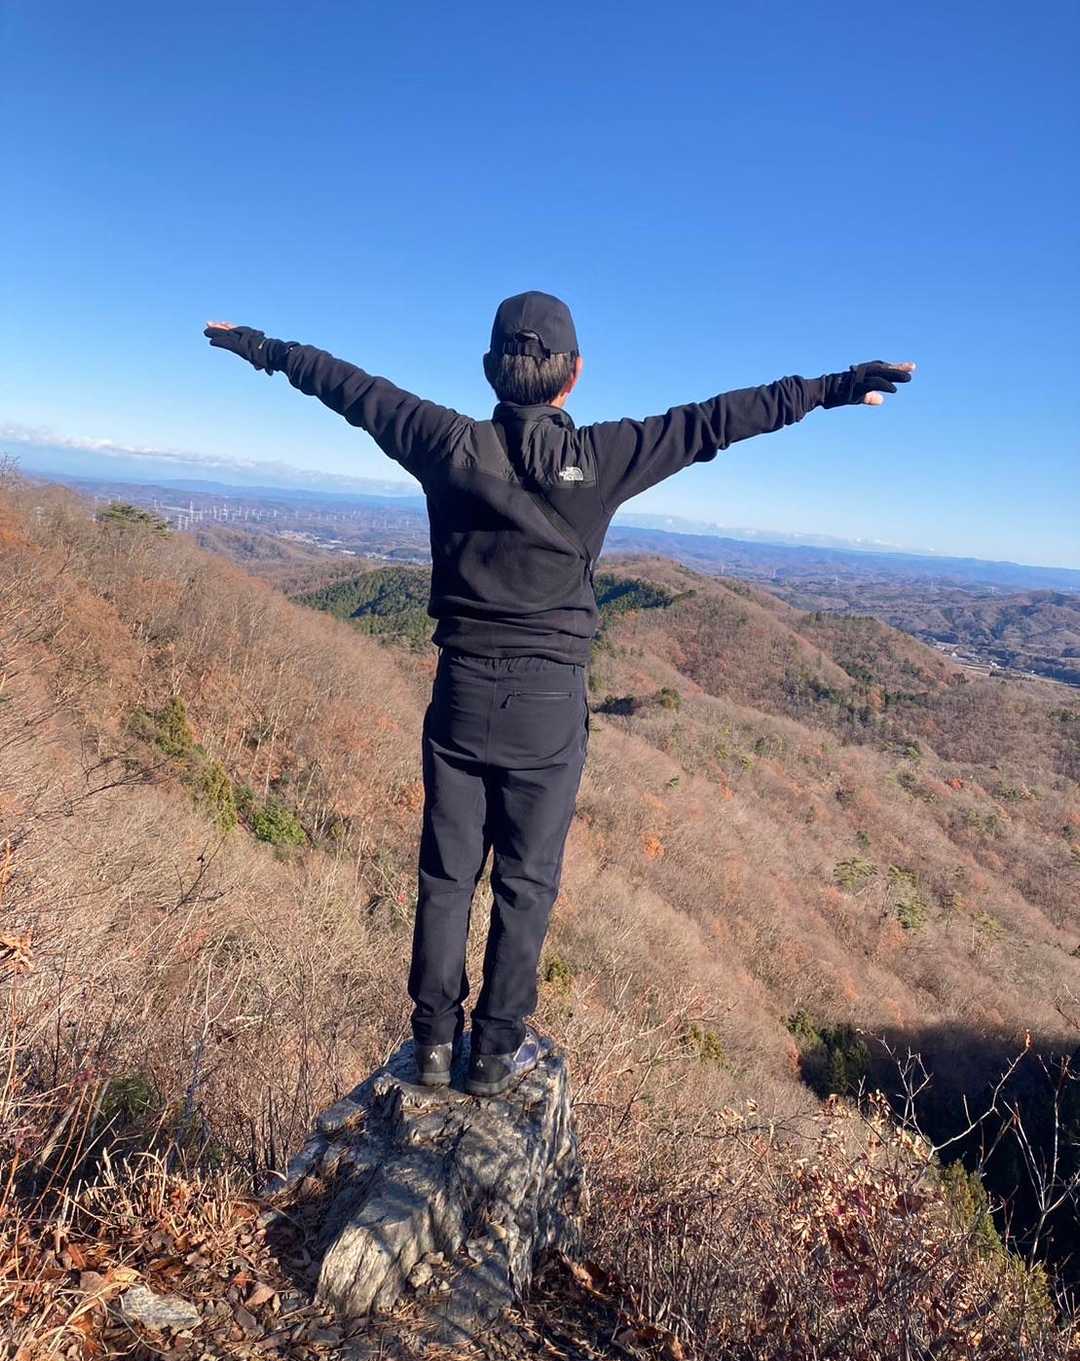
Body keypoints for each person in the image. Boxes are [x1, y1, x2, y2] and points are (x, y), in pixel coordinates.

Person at [205, 295, 915, 1096]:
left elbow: (349, 387)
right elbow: (716, 421)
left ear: (490, 370)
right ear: (573, 375)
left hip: (461, 695)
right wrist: (834, 387)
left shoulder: (443, 441)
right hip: (547, 708)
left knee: (446, 875)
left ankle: (433, 1044)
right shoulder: (603, 458)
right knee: (527, 880)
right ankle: (493, 1054)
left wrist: (265, 348)